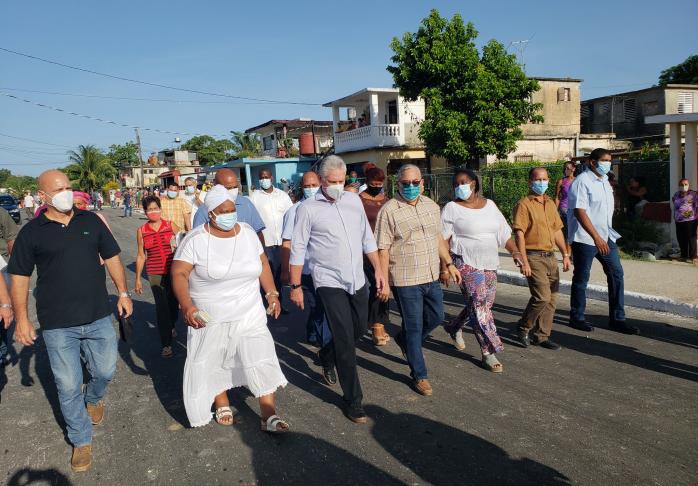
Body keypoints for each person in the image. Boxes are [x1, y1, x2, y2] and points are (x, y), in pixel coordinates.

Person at [8, 170, 132, 472]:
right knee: (67, 385)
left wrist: (123, 293)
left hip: (97, 315)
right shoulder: (32, 232)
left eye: (68, 187)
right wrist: (22, 319)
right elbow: (20, 277)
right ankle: (81, 440)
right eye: (59, 188)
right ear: (43, 195)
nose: (66, 192)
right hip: (57, 323)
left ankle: (95, 397)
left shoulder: (90, 221)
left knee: (104, 370)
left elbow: (113, 257)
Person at [171, 185, 289, 432]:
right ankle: (221, 400)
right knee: (216, 358)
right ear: (210, 213)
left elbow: (263, 263)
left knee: (260, 355)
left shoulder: (246, 233)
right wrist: (187, 305)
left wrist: (272, 293)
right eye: (222, 210)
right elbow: (179, 272)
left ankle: (269, 414)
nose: (228, 214)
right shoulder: (195, 239)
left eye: (231, 209)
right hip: (211, 314)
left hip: (249, 310)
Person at [290, 156, 386, 423]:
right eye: (332, 182)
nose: (336, 186)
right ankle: (353, 400)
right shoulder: (307, 209)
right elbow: (297, 248)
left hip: (356, 279)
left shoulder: (354, 201)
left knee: (360, 328)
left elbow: (367, 238)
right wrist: (296, 285)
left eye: (341, 182)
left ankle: (327, 353)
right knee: (345, 337)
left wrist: (378, 269)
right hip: (328, 280)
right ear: (321, 180)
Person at [375, 164, 460, 396]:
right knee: (413, 327)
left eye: (415, 183)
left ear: (423, 183)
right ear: (397, 184)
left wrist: (449, 264)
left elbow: (438, 238)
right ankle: (419, 375)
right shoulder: (389, 210)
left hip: (431, 275)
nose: (411, 187)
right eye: (405, 183)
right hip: (405, 279)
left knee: (436, 318)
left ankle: (404, 340)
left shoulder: (432, 206)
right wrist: (382, 279)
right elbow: (382, 248)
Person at [441, 167, 519, 373]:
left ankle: (454, 326)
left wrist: (516, 253)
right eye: (456, 184)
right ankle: (488, 350)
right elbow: (443, 239)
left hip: (489, 262)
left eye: (463, 183)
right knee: (479, 305)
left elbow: (504, 234)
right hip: (464, 261)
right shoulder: (451, 208)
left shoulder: (490, 205)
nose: (459, 187)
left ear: (474, 183)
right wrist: (445, 267)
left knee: (484, 304)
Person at [567, 148, 638, 335]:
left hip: (606, 237)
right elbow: (579, 212)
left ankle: (617, 318)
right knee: (582, 278)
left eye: (609, 160)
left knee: (616, 274)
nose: (607, 163)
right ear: (592, 162)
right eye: (604, 160)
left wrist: (603, 236)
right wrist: (596, 237)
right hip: (585, 239)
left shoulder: (606, 181)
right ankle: (577, 317)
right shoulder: (582, 182)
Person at [513, 167, 571, 351]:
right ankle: (523, 326)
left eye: (545, 179)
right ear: (530, 182)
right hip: (533, 256)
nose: (542, 183)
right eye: (538, 180)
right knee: (542, 297)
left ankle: (541, 336)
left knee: (552, 299)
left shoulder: (551, 204)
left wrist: (566, 254)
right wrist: (523, 260)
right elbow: (519, 234)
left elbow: (556, 231)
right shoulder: (524, 204)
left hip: (550, 256)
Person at [280, 171, 333, 369]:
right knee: (319, 307)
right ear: (302, 187)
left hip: (327, 269)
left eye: (314, 185)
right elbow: (287, 242)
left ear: (320, 184)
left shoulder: (328, 206)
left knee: (322, 309)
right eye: (307, 186)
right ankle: (327, 351)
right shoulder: (294, 211)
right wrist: (286, 271)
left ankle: (314, 333)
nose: (310, 189)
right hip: (305, 271)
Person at [134, 196, 182, 357]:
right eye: (150, 210)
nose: (153, 212)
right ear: (145, 212)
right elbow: (141, 256)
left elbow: (184, 244)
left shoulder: (170, 225)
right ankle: (166, 344)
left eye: (156, 208)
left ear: (160, 209)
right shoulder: (141, 231)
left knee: (174, 304)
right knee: (162, 308)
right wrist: (138, 279)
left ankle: (172, 324)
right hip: (154, 273)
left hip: (173, 271)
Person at [249, 169, 293, 308]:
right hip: (265, 242)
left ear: (271, 178)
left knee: (281, 273)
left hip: (281, 241)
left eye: (266, 177)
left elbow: (290, 215)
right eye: (261, 177)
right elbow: (252, 219)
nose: (264, 179)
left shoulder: (282, 195)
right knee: (268, 273)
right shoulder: (254, 197)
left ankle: (280, 303)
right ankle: (267, 302)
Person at [358, 167, 391, 346]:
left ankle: (379, 323)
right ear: (367, 182)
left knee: (384, 287)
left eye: (380, 184)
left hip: (384, 251)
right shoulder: (358, 200)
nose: (377, 187)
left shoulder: (387, 201)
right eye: (373, 184)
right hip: (365, 253)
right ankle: (374, 324)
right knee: (372, 289)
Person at [192, 169, 265, 244]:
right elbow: (198, 241)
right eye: (228, 188)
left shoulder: (246, 203)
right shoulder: (204, 211)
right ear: (215, 184)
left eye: (235, 187)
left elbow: (258, 232)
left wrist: (262, 253)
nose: (233, 191)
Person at [0, 206, 18, 368]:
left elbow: (11, 238)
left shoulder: (1, 213)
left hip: (2, 266)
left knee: (2, 316)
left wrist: (15, 266)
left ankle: (2, 351)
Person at [672, 178, 697, 264]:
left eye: (685, 184)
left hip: (691, 220)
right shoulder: (676, 194)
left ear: (688, 185)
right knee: (681, 238)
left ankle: (694, 256)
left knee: (691, 238)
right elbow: (675, 206)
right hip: (678, 220)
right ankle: (684, 256)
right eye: (682, 185)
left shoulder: (693, 194)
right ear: (679, 186)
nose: (684, 186)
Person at [555, 161, 575, 256]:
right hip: (565, 209)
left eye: (568, 168)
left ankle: (573, 252)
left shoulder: (577, 181)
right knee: (568, 231)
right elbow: (557, 197)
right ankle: (568, 254)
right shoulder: (561, 181)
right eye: (564, 168)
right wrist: (555, 211)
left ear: (573, 169)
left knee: (575, 232)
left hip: (576, 209)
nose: (565, 170)